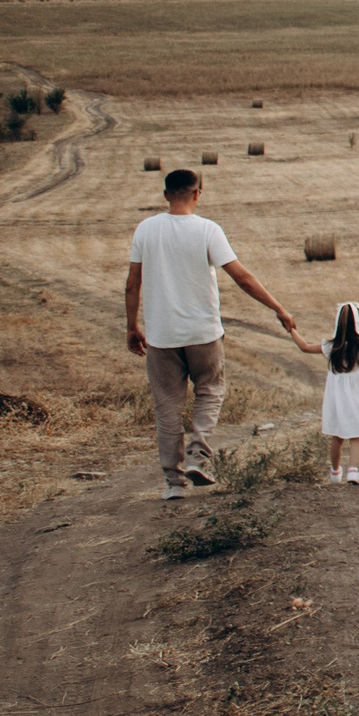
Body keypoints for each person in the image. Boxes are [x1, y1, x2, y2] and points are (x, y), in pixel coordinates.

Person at [124, 168, 299, 499]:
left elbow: (133, 282)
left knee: (167, 407)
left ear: (165, 195)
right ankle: (198, 455)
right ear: (197, 194)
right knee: (211, 390)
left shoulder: (146, 230)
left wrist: (132, 325)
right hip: (203, 332)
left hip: (161, 335)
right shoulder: (207, 230)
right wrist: (278, 308)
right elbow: (242, 277)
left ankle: (173, 484)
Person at [289, 300, 359, 484]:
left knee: (337, 435)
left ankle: (334, 472)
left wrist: (291, 330)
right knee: (356, 434)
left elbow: (305, 347)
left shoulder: (331, 346)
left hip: (337, 394)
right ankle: (353, 472)